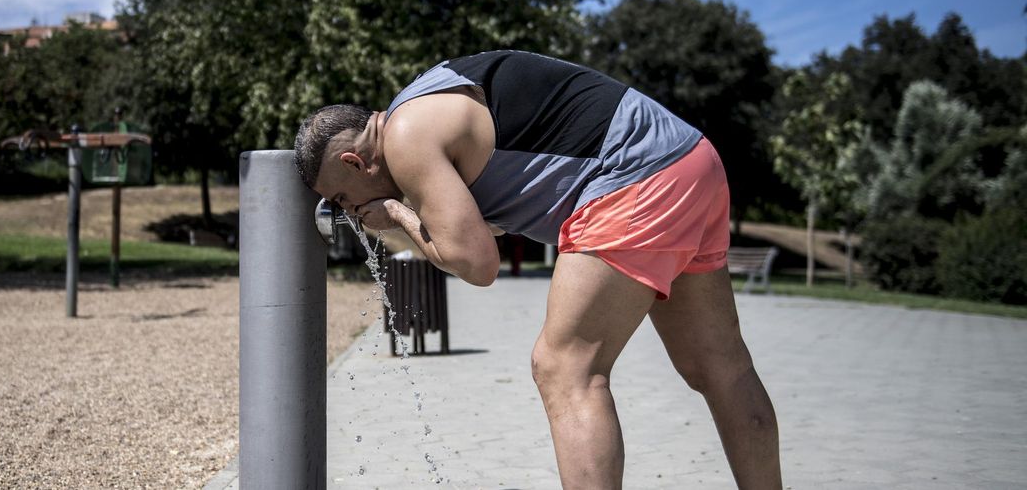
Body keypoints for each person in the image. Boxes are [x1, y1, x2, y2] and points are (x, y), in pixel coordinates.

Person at [293, 50, 780, 489]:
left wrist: (397, 215)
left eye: (340, 199)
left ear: (356, 161)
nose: (349, 211)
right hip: (692, 160)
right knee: (720, 367)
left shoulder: (405, 139)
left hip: (636, 175)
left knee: (564, 368)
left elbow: (478, 264)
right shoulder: (426, 103)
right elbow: (487, 232)